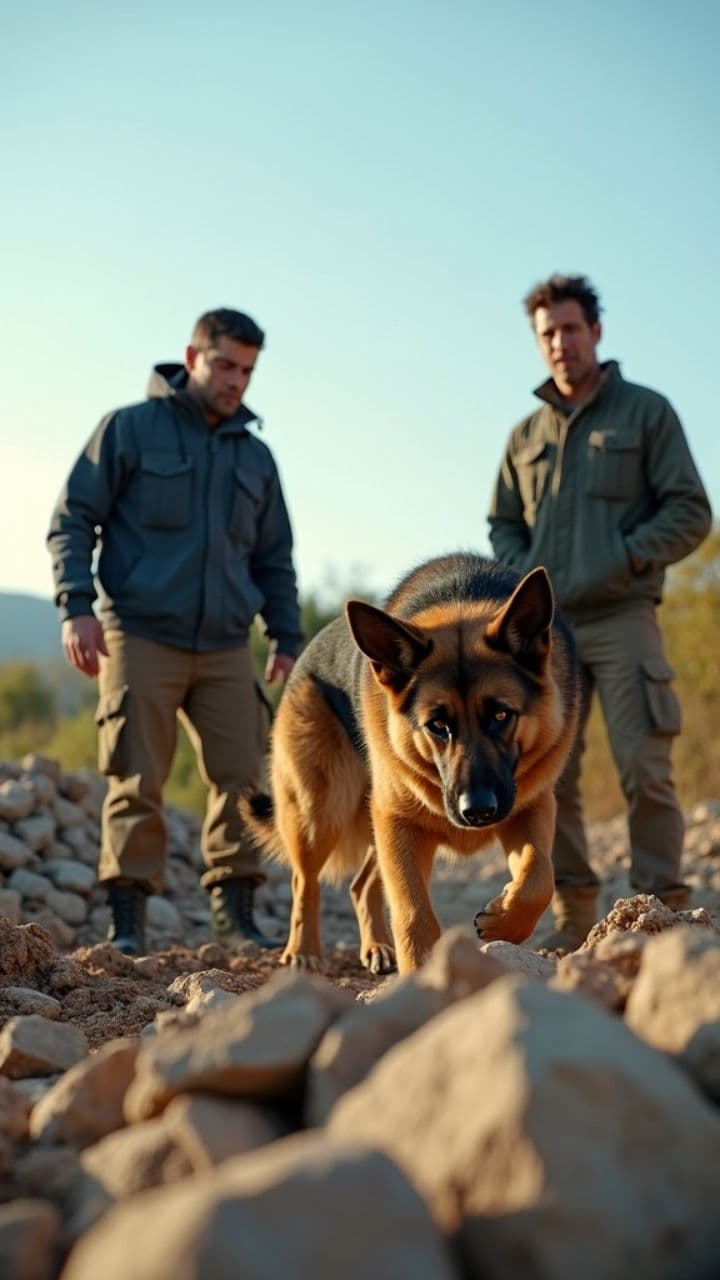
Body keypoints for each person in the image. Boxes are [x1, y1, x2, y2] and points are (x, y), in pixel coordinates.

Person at [47, 307, 303, 956]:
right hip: (139, 635)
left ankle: (235, 919)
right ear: (192, 358)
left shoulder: (257, 458)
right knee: (137, 778)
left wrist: (286, 636)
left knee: (245, 778)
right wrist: (76, 606)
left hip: (225, 645)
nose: (236, 381)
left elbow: (274, 557)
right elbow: (72, 518)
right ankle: (127, 925)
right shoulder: (129, 429)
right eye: (225, 365)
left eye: (247, 371)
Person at [488, 274, 712, 951]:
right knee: (550, 776)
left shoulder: (646, 413)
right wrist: (522, 572)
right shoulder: (525, 434)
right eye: (547, 333)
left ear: (596, 331)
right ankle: (571, 915)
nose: (560, 342)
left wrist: (625, 557)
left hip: (623, 617)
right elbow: (502, 522)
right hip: (543, 636)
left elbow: (690, 511)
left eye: (571, 328)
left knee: (644, 763)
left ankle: (662, 912)